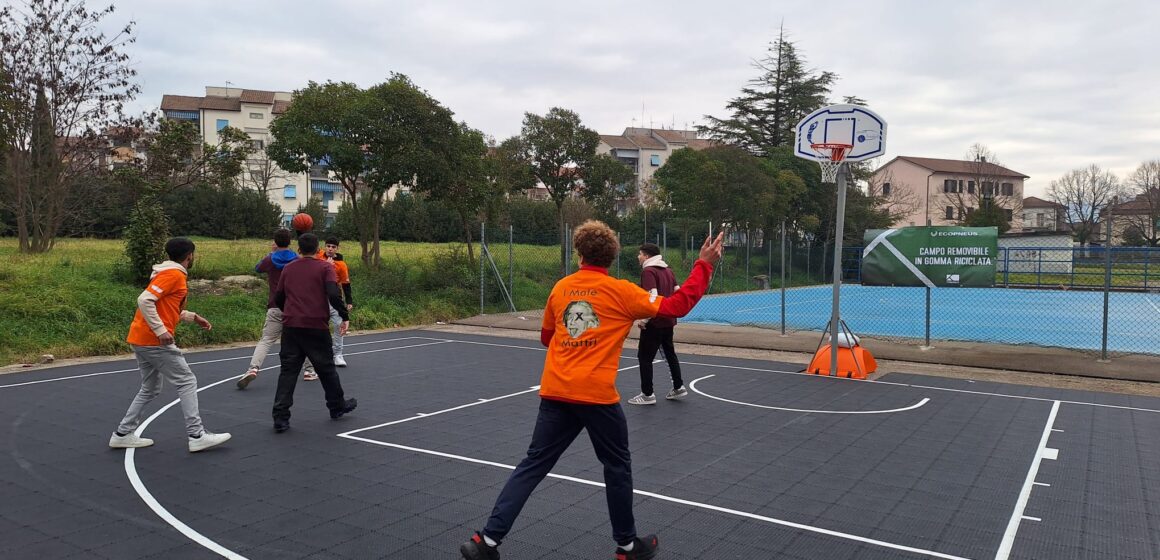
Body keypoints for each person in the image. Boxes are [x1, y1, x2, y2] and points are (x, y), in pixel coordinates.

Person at [459, 221, 724, 560]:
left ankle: (487, 541)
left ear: (579, 253)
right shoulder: (622, 292)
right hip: (596, 397)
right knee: (616, 466)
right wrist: (705, 264)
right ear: (612, 258)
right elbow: (676, 307)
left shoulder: (561, 289)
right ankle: (627, 545)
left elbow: (547, 337)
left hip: (556, 391)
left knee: (533, 464)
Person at [109, 237, 232, 453]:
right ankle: (197, 435)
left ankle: (122, 434)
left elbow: (164, 306)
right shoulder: (173, 274)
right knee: (186, 381)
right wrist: (160, 330)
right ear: (189, 256)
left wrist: (192, 316)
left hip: (140, 338)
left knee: (150, 388)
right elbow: (144, 300)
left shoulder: (167, 273)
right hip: (154, 340)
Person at [271, 233, 357, 433]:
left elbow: (279, 297)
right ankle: (336, 406)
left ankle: (280, 417)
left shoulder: (288, 268)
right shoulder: (326, 267)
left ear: (298, 249)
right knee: (326, 369)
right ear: (318, 248)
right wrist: (344, 315)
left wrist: (290, 312)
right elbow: (333, 294)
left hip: (292, 326)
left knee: (288, 371)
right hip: (315, 325)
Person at [237, 228, 299, 389]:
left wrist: (271, 253)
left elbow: (257, 268)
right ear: (290, 241)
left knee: (266, 340)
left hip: (275, 305)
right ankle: (309, 371)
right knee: (302, 339)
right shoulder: (296, 259)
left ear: (275, 242)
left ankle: (253, 369)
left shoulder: (271, 259)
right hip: (294, 307)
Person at [628, 243, 686, 405]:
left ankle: (647, 394)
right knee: (669, 354)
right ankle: (678, 386)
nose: (638, 257)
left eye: (640, 254)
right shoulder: (668, 270)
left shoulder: (648, 271)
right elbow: (677, 292)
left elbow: (651, 296)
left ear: (647, 256)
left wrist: (644, 319)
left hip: (654, 322)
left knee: (644, 358)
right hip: (668, 320)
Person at [323, 236, 353, 367]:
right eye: (328, 246)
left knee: (338, 325)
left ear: (337, 248)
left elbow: (346, 284)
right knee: (319, 327)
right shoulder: (318, 256)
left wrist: (349, 300)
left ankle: (338, 354)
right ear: (325, 246)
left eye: (333, 247)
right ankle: (322, 353)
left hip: (335, 298)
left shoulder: (341, 265)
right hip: (319, 297)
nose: (330, 249)